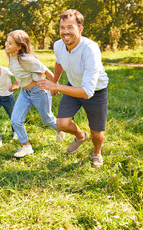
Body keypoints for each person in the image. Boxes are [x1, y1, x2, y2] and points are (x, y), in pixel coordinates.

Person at [37, 9, 109, 168]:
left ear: (80, 29)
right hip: (72, 85)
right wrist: (55, 82)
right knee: (61, 124)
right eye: (62, 28)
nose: (65, 32)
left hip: (95, 91)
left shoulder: (90, 49)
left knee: (96, 132)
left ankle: (97, 153)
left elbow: (87, 92)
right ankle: (80, 135)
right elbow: (59, 62)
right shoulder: (58, 45)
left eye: (70, 27)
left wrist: (56, 86)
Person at [5, 30, 65, 158]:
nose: (6, 44)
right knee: (15, 120)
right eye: (7, 41)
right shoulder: (12, 56)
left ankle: (60, 129)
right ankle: (26, 146)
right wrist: (16, 83)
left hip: (39, 92)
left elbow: (46, 70)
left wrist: (55, 86)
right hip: (25, 93)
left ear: (19, 46)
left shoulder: (27, 59)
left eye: (10, 43)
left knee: (47, 119)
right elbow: (20, 72)